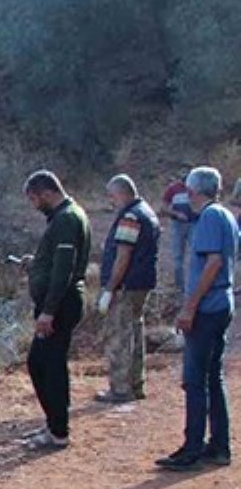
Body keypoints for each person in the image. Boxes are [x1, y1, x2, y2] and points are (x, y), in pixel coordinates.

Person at [156, 166, 236, 470]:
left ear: (193, 191)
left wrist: (189, 307)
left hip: (208, 307)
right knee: (212, 377)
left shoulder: (210, 217)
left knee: (195, 379)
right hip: (220, 303)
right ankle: (218, 447)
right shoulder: (224, 215)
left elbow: (213, 263)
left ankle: (192, 448)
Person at [20, 170, 91, 450]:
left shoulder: (66, 219)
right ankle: (54, 424)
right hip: (59, 301)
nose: (34, 205)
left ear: (48, 193)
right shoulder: (66, 216)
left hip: (60, 304)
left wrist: (48, 312)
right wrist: (36, 262)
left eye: (35, 198)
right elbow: (57, 261)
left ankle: (58, 431)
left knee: (47, 365)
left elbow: (64, 269)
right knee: (42, 363)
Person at [95, 175, 162, 404]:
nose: (110, 201)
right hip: (141, 284)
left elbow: (123, 256)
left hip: (126, 286)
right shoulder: (147, 212)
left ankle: (120, 389)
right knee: (135, 331)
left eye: (112, 196)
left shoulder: (130, 216)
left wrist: (109, 288)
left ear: (122, 193)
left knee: (120, 335)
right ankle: (136, 384)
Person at [162, 173, 198, 292]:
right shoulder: (173, 189)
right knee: (178, 256)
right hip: (178, 224)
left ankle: (194, 283)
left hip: (193, 223)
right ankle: (179, 286)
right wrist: (176, 214)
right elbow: (164, 207)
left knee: (196, 252)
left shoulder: (195, 188)